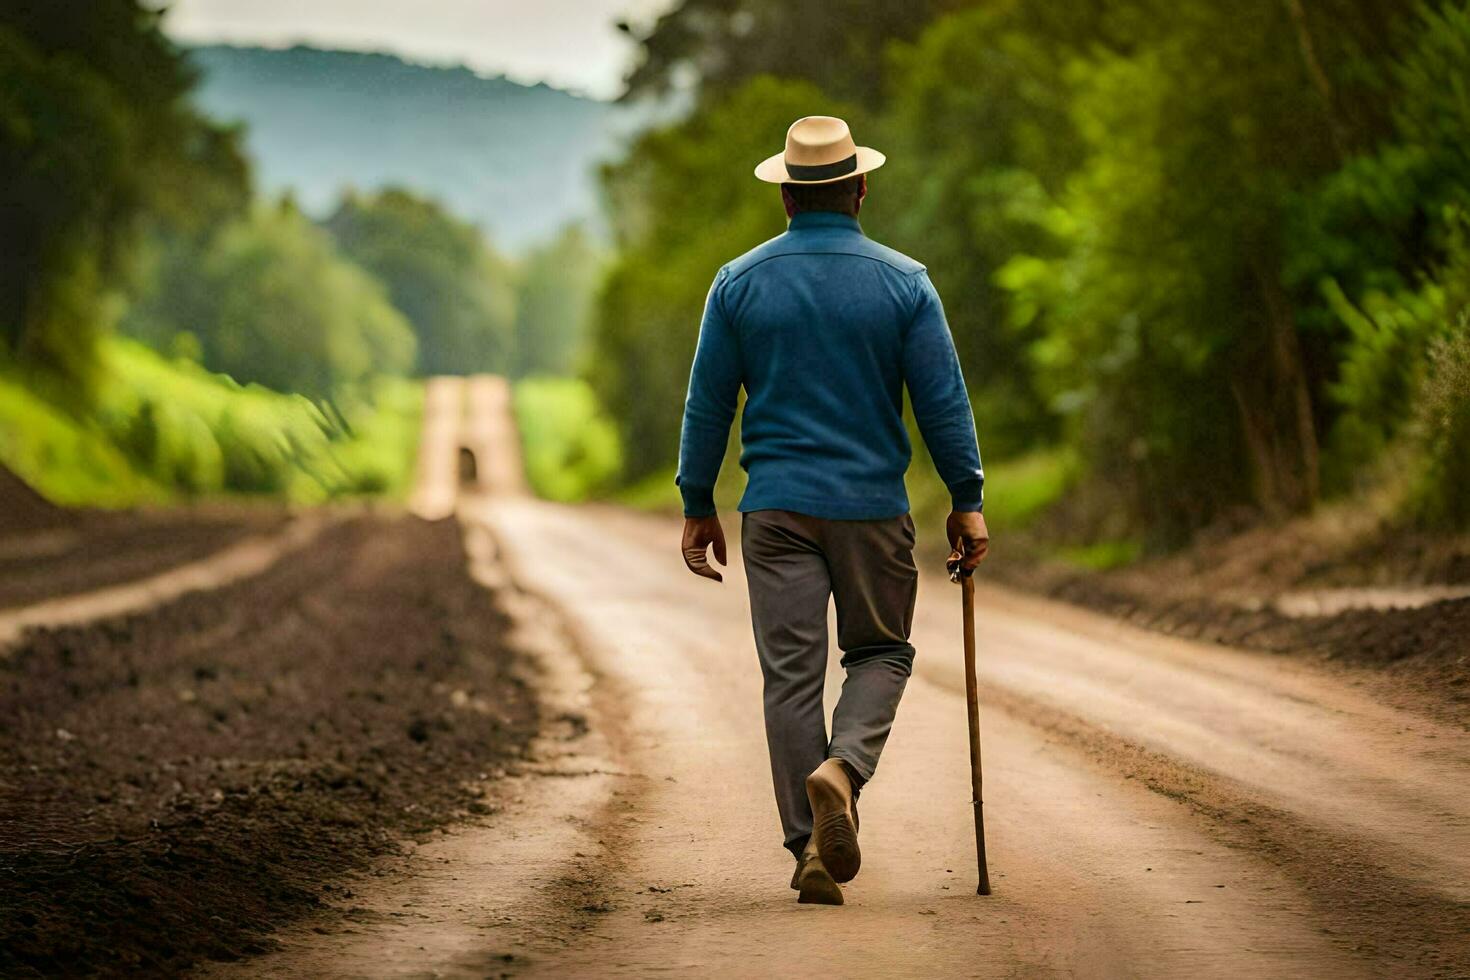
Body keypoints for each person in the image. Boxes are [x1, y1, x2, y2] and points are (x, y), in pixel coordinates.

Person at [676, 115, 989, 905]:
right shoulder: (905, 282)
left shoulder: (737, 283)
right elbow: (941, 401)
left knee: (789, 680)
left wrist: (696, 500)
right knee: (881, 653)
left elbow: (707, 403)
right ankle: (843, 772)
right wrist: (967, 499)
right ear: (860, 189)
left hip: (775, 509)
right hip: (871, 508)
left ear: (785, 195)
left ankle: (809, 847)